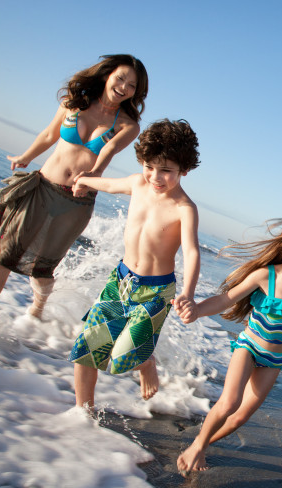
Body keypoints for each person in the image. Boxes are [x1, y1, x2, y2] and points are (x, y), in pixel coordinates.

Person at [0, 54, 148, 318]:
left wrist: (93, 176)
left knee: (42, 269)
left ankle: (38, 308)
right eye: (121, 78)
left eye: (132, 85)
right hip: (41, 189)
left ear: (136, 92)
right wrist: (26, 157)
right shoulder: (74, 102)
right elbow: (48, 134)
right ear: (107, 75)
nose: (124, 87)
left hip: (77, 202)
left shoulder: (127, 125)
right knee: (3, 257)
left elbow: (108, 151)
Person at [174, 212, 282, 475]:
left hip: (275, 360)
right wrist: (196, 310)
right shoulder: (265, 276)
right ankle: (198, 446)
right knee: (229, 403)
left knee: (240, 417)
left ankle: (200, 443)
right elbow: (225, 299)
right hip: (249, 348)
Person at [68, 119, 200, 406]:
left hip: (155, 293)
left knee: (122, 358)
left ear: (184, 170)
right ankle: (83, 412)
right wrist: (84, 180)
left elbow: (191, 252)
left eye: (166, 171)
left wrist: (187, 293)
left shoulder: (184, 208)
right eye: (149, 166)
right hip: (120, 281)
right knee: (88, 348)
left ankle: (146, 364)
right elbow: (110, 185)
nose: (155, 176)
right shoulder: (138, 183)